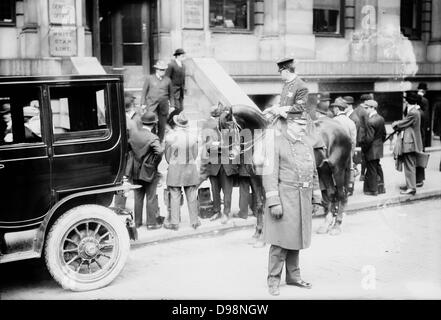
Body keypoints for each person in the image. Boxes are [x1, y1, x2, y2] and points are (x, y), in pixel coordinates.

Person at [263, 111, 320, 296]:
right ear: (290, 124)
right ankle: (273, 280)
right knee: (280, 242)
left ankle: (293, 276)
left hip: (302, 198)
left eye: (305, 124)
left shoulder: (306, 144)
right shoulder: (276, 144)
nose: (304, 128)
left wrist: (316, 198)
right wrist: (273, 202)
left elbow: (314, 173)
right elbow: (269, 175)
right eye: (300, 124)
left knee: (297, 238)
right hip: (284, 198)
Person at [199, 106, 239, 224]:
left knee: (227, 191)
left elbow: (236, 146)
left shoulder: (232, 130)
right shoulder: (210, 130)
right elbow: (208, 147)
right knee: (215, 190)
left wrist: (230, 151)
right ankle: (217, 211)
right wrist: (224, 146)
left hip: (227, 165)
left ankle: (226, 213)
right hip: (214, 165)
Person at [164, 112, 201, 230]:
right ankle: (194, 222)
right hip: (190, 168)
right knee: (192, 195)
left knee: (175, 196)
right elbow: (195, 155)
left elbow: (167, 156)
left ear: (176, 123)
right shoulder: (193, 137)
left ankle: (175, 223)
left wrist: (174, 163)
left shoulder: (170, 137)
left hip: (175, 168)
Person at [126, 111, 163, 229]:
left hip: (135, 172)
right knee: (151, 197)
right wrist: (152, 164)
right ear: (153, 124)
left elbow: (129, 150)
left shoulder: (134, 135)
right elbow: (159, 152)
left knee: (138, 197)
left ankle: (137, 223)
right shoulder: (153, 137)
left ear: (142, 123)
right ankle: (151, 224)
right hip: (149, 172)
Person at [392, 92, 423, 195]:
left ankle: (411, 187)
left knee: (409, 165)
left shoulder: (413, 112)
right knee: (410, 165)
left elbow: (404, 123)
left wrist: (395, 124)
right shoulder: (414, 111)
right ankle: (410, 185)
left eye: (406, 100)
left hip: (410, 143)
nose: (405, 101)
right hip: (411, 142)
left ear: (408, 101)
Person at [141, 60, 173, 142]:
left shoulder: (168, 80)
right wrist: (142, 103)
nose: (162, 71)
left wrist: (172, 105)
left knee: (162, 125)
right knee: (152, 123)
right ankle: (153, 140)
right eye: (161, 69)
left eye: (164, 70)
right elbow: (144, 91)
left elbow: (171, 94)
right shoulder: (150, 78)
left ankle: (160, 141)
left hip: (163, 106)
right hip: (152, 104)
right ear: (156, 70)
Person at [362, 100, 386, 196]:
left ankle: (373, 190)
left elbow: (369, 138)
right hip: (378, 148)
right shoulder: (381, 118)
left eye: (366, 108)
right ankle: (381, 187)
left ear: (372, 108)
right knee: (377, 167)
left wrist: (364, 148)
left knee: (371, 169)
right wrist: (379, 144)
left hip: (371, 149)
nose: (365, 110)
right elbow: (384, 134)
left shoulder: (370, 121)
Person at [166, 48, 186, 126]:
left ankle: (177, 124)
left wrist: (184, 88)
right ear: (177, 56)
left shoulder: (183, 66)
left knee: (181, 109)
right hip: (173, 91)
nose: (183, 57)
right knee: (176, 108)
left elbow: (183, 79)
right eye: (182, 55)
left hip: (181, 91)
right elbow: (167, 78)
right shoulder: (171, 65)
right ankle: (170, 124)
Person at [416, 83, 430, 187]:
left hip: (418, 132)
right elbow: (427, 117)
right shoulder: (425, 101)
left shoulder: (420, 101)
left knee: (418, 156)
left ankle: (418, 180)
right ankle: (420, 179)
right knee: (420, 156)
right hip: (422, 133)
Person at [355, 94, 370, 181]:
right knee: (364, 156)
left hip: (355, 136)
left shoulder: (356, 109)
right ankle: (362, 174)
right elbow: (368, 125)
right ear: (365, 101)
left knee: (356, 155)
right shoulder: (365, 111)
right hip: (363, 137)